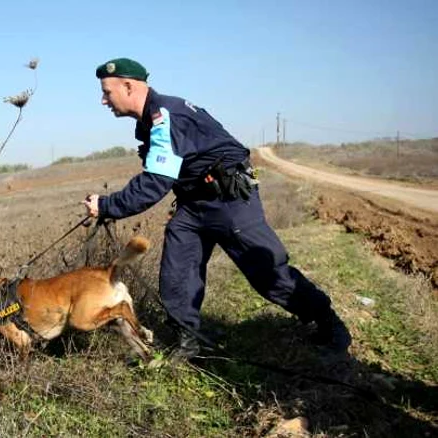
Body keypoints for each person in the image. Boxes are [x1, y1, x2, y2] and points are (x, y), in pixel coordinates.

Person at [82, 58, 351, 359]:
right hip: (194, 202)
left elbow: (154, 182)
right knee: (177, 269)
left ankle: (327, 321)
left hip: (231, 195)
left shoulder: (164, 117)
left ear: (128, 86)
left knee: (268, 273)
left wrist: (106, 205)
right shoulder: (150, 120)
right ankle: (189, 339)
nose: (103, 100)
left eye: (107, 92)